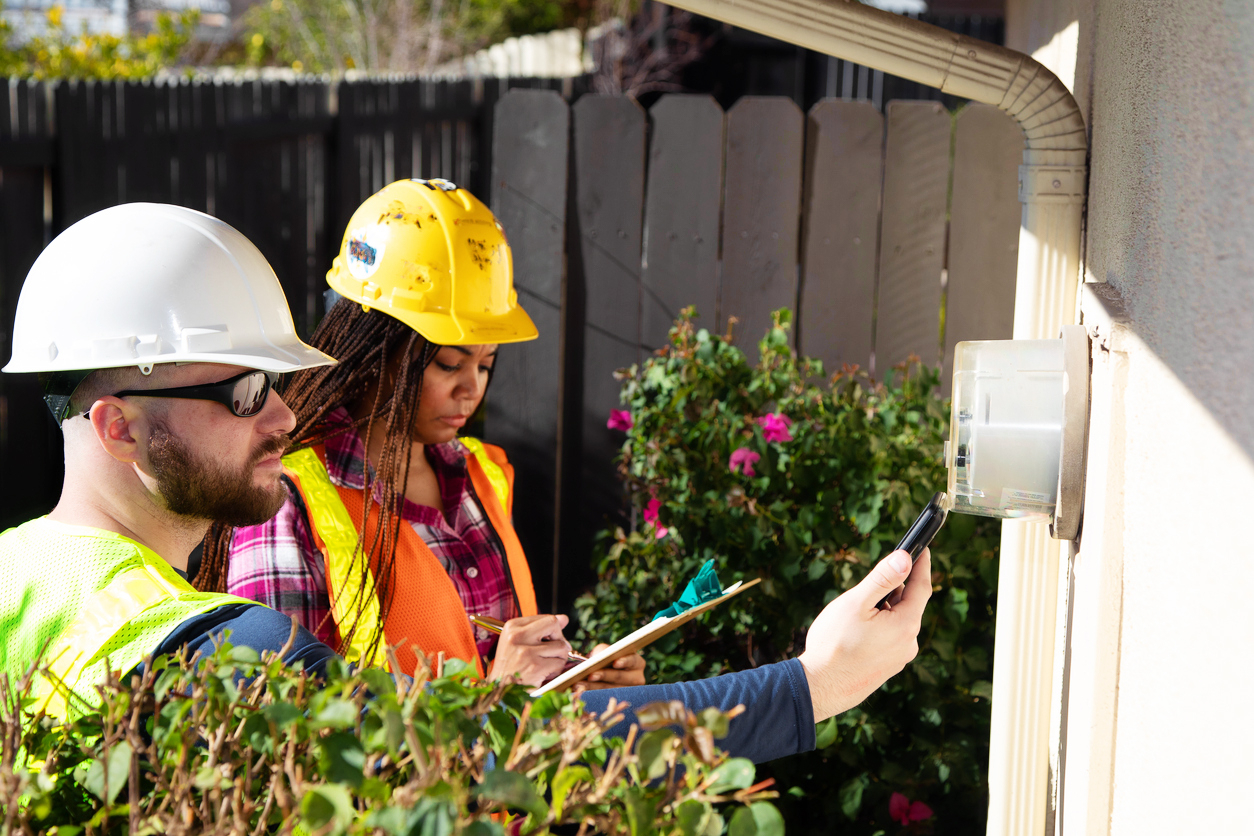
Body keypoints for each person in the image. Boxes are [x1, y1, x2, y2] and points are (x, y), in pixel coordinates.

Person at [0, 201, 933, 766]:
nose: (284, 417)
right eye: (247, 391)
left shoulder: (17, 575)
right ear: (118, 425)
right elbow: (470, 754)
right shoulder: (202, 643)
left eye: (279, 385)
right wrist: (816, 684)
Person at [195, 178, 644, 688]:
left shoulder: (482, 475)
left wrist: (573, 677)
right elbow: (280, 721)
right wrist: (494, 700)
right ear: (373, 350)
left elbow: (494, 661)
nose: (471, 389)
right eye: (450, 364)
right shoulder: (282, 502)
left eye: (486, 363)